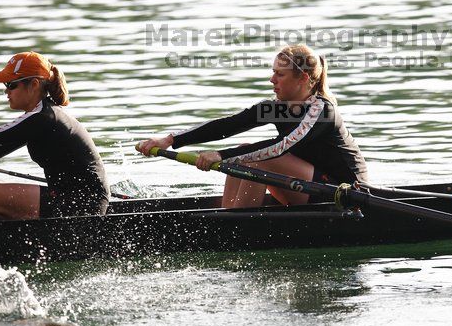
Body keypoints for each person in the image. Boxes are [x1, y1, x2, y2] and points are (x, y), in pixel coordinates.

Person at [137, 44, 368, 207]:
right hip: (307, 186)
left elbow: (281, 147)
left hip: (345, 193)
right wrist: (170, 140)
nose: (272, 80)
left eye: (280, 74)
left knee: (261, 157)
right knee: (247, 149)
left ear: (303, 79)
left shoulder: (321, 111)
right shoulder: (277, 108)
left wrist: (221, 155)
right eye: (272, 72)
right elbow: (227, 125)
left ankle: (238, 227)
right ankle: (231, 214)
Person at [0, 51, 110, 223]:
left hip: (84, 205)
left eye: (11, 84)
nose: (6, 91)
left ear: (33, 84)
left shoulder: (44, 117)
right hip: (70, 199)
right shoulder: (43, 114)